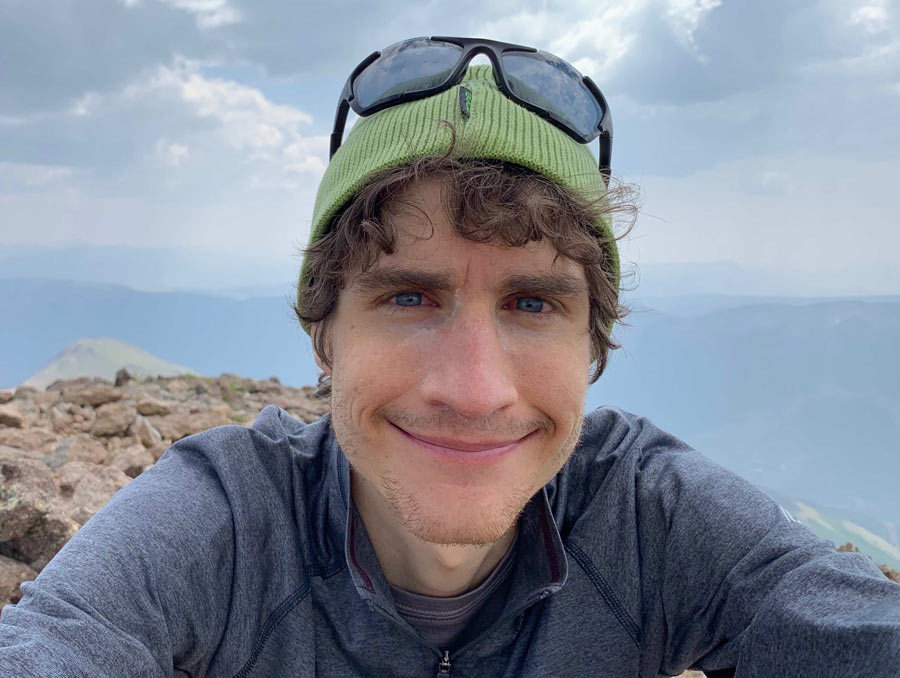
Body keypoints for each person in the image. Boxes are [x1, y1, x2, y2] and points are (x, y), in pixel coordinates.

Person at [1, 36, 899, 678]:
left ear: (592, 342)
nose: (473, 389)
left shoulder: (646, 517)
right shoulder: (228, 524)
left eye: (534, 302)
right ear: (324, 330)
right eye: (408, 296)